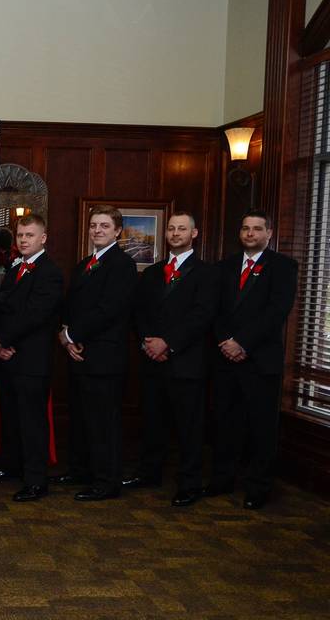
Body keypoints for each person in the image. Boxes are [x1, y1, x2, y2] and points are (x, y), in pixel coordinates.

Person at [206, 209, 298, 510]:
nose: (250, 234)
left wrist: (242, 343)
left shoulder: (283, 266)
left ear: (268, 233)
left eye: (257, 229)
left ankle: (258, 487)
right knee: (225, 423)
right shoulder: (225, 267)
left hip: (260, 360)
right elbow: (215, 311)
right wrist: (225, 342)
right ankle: (222, 479)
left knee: (261, 427)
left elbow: (276, 311)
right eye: (245, 228)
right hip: (225, 359)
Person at [125, 212, 218, 507]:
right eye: (172, 228)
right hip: (152, 360)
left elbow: (202, 316)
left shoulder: (206, 273)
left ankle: (189, 484)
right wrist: (147, 342)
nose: (176, 233)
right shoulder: (152, 273)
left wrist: (169, 343)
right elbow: (138, 312)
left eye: (182, 229)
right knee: (152, 422)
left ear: (194, 233)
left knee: (189, 428)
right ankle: (148, 473)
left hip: (186, 362)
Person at [54, 205, 137, 501]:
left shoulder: (122, 265)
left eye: (104, 226)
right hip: (78, 355)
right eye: (93, 225)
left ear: (117, 231)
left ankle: (106, 482)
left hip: (104, 358)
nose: (97, 230)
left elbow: (109, 310)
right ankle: (80, 470)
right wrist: (65, 336)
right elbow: (71, 307)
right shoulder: (84, 264)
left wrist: (73, 335)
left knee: (103, 423)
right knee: (81, 419)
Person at [0, 214, 63, 502]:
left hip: (31, 361)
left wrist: (3, 340)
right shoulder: (16, 267)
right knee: (11, 418)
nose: (23, 240)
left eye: (29, 235)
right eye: (20, 235)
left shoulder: (50, 272)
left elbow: (34, 315)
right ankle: (11, 467)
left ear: (43, 238)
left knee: (32, 423)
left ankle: (35, 481)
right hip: (7, 358)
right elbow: (1, 309)